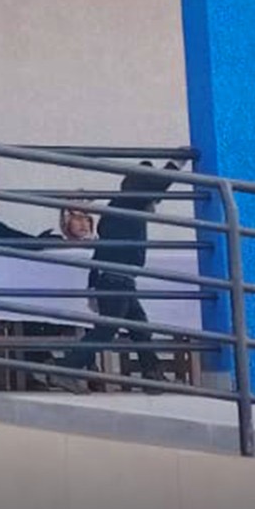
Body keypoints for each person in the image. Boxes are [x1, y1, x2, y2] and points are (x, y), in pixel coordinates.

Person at [79, 163, 176, 383]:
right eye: (153, 198)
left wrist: (92, 285)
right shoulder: (129, 204)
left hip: (118, 279)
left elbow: (100, 250)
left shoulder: (119, 209)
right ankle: (65, 368)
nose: (156, 203)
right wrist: (175, 164)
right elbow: (155, 186)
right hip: (117, 279)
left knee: (140, 328)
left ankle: (153, 373)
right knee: (107, 330)